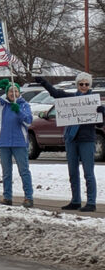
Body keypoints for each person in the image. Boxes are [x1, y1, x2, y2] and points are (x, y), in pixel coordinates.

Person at [35, 73, 105, 211]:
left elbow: (99, 123)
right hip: (71, 139)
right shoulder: (70, 99)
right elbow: (55, 93)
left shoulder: (93, 102)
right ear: (77, 85)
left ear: (89, 86)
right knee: (73, 172)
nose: (84, 86)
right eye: (81, 84)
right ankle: (75, 200)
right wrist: (44, 82)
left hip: (87, 140)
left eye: (86, 84)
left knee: (88, 173)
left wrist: (102, 112)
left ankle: (91, 202)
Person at [0, 79, 34, 207]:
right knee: (6, 172)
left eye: (16, 91)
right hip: (4, 143)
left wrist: (18, 110)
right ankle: (7, 197)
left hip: (19, 143)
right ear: (7, 93)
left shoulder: (24, 105)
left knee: (24, 171)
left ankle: (28, 197)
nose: (13, 93)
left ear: (19, 93)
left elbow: (28, 121)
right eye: (10, 91)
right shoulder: (2, 105)